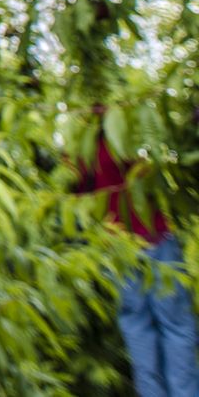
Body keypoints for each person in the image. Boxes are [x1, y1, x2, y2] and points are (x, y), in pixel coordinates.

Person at [79, 126, 198, 397]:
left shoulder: (83, 138)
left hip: (119, 244)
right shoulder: (130, 124)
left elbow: (80, 192)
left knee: (138, 328)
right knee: (174, 326)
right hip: (154, 237)